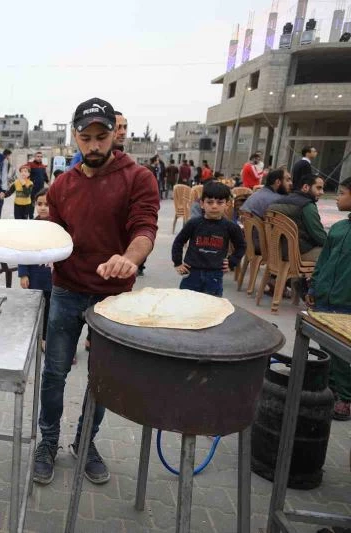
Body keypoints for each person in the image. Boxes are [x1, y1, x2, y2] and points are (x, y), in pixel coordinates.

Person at [33, 97, 159, 487]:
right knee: (54, 372)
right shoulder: (63, 184)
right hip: (67, 290)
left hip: (113, 296)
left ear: (115, 134)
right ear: (74, 136)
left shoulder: (138, 178)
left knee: (101, 378)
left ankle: (86, 442)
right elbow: (53, 235)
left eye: (101, 137)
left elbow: (145, 229)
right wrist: (36, 246)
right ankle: (48, 442)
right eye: (85, 137)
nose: (93, 145)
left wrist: (129, 258)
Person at [306, 177, 351, 420]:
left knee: (343, 353)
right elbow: (323, 262)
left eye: (342, 193)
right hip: (325, 298)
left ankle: (346, 397)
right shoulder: (339, 228)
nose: (337, 197)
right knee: (326, 346)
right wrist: (313, 288)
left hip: (346, 304)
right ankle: (333, 390)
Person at [172, 181, 245, 297]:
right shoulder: (193, 224)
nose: (214, 206)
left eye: (220, 202)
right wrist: (177, 262)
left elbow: (241, 246)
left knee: (213, 307)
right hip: (192, 273)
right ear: (202, 203)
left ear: (227, 204)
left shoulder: (231, 227)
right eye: (209, 202)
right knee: (185, 304)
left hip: (215, 275)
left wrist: (232, 261)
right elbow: (179, 241)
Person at [18, 187, 52, 351]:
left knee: (50, 312)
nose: (43, 207)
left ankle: (45, 338)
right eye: (40, 204)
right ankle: (30, 338)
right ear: (34, 205)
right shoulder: (30, 226)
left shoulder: (59, 227)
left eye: (47, 204)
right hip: (34, 276)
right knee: (32, 308)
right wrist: (23, 274)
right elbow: (24, 250)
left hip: (53, 279)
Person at [268, 174, 326, 261]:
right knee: (338, 252)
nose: (322, 192)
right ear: (306, 187)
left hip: (274, 251)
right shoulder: (307, 206)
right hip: (296, 253)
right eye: (318, 188)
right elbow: (320, 236)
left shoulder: (278, 202)